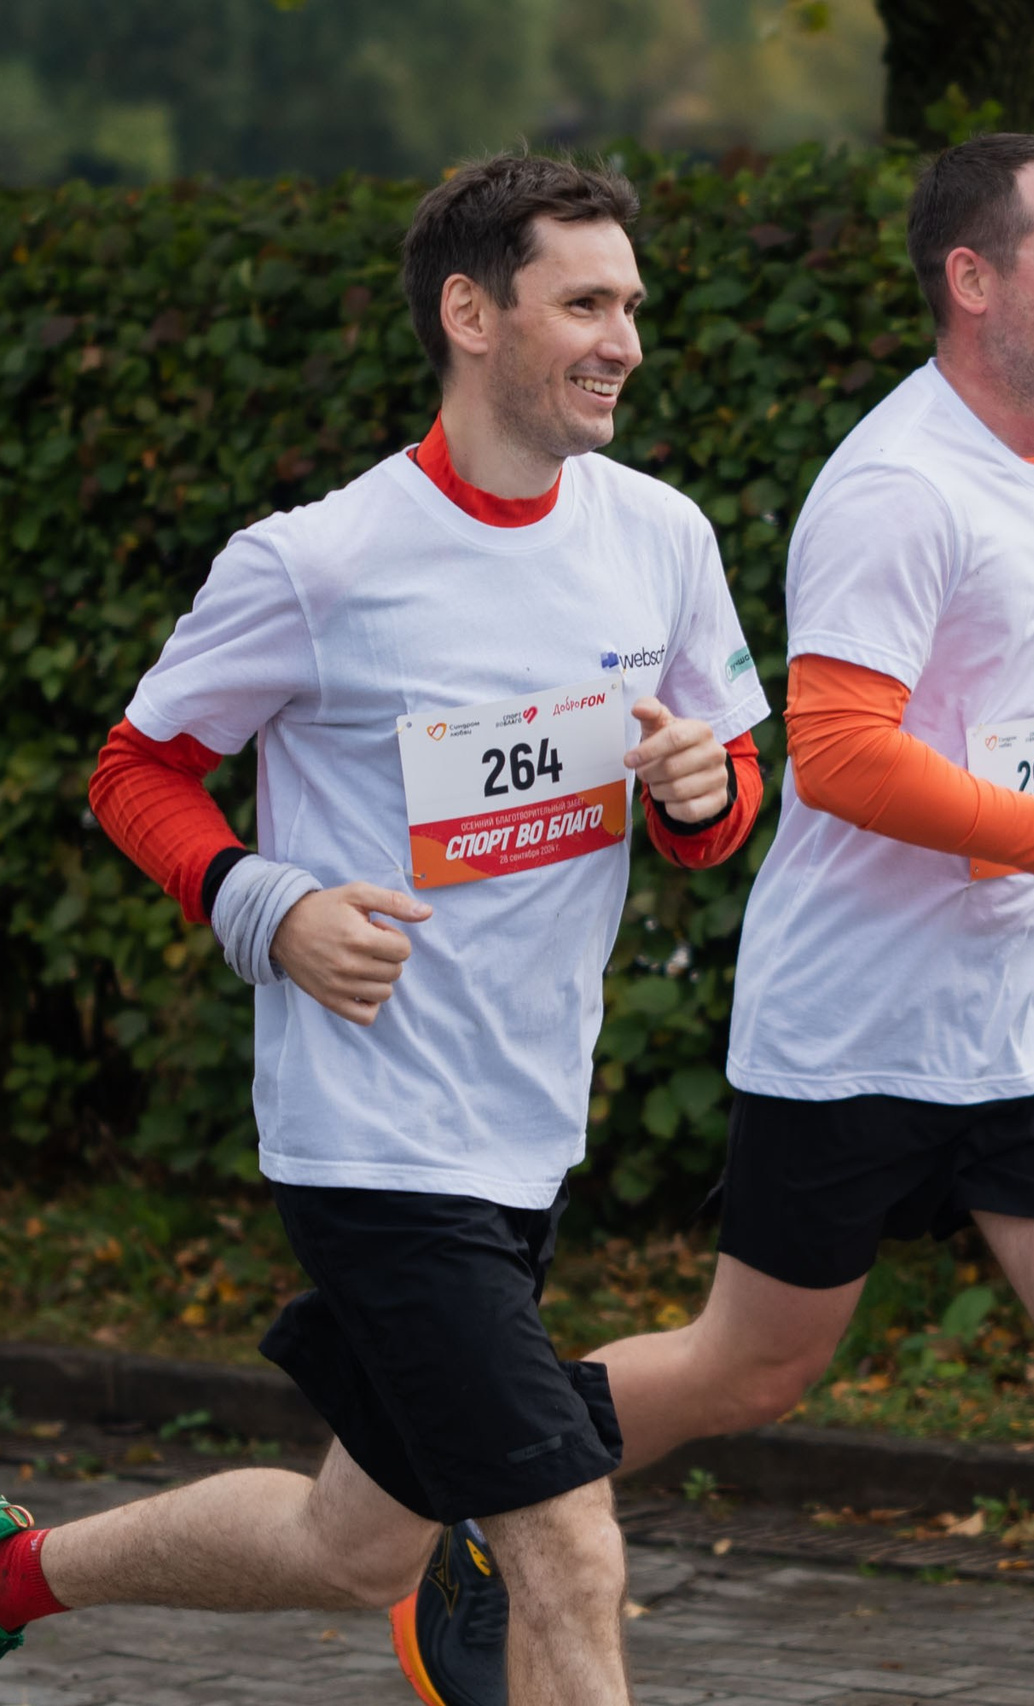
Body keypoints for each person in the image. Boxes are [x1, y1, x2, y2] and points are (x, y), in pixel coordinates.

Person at [407, 132, 1034, 1706]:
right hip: (853, 1022)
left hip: (1021, 1017)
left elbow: (997, 732)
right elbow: (847, 756)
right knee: (756, 1368)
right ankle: (489, 1471)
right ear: (973, 275)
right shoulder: (891, 487)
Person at [0, 151, 768, 1706]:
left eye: (631, 301)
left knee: (355, 1543)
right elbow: (137, 769)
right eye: (584, 301)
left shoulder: (660, 536)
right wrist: (265, 908)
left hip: (524, 1126)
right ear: (471, 312)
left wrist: (699, 787)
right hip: (370, 1141)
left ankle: (10, 1575)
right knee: (570, 1549)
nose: (625, 336)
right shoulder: (317, 561)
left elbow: (720, 798)